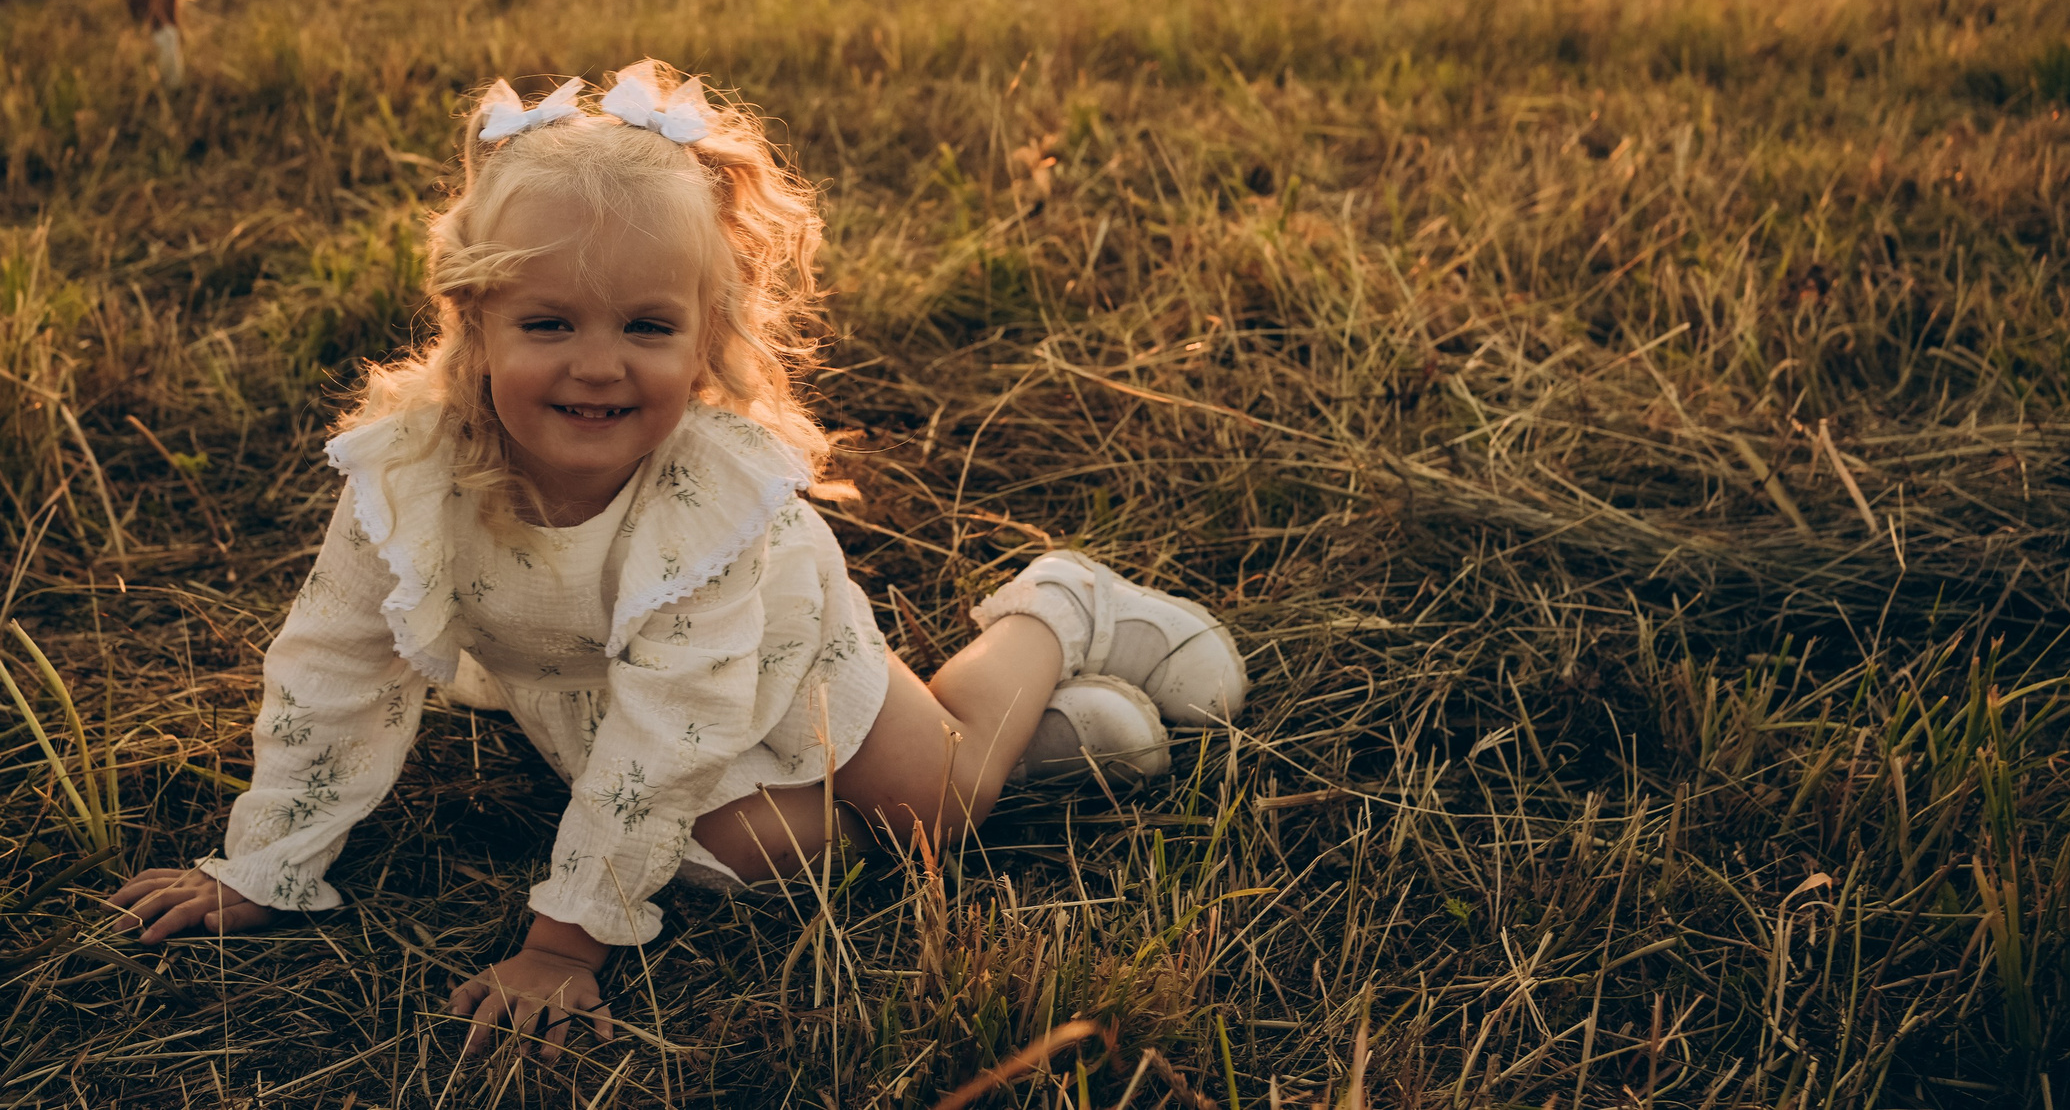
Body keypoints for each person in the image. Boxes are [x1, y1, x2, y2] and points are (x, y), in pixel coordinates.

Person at [112, 63, 1251, 1053]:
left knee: (930, 810)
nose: (598, 367)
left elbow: (679, 718)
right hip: (597, 693)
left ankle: (1056, 614)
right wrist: (258, 863)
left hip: (770, 654)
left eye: (646, 329)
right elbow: (334, 666)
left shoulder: (703, 505)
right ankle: (1052, 743)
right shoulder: (407, 480)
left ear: (705, 336)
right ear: (471, 322)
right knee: (728, 863)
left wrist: (564, 944)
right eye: (548, 325)